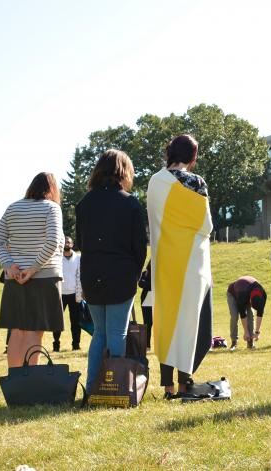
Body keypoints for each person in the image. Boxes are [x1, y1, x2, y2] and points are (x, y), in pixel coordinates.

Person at [146, 135, 214, 398]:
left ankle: (168, 386)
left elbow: (154, 221)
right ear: (193, 157)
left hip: (164, 259)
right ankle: (185, 382)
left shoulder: (155, 182)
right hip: (192, 261)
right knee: (189, 320)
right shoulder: (196, 182)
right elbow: (205, 224)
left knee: (166, 319)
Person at [77, 149, 148, 390]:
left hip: (91, 273)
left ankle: (91, 387)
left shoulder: (84, 203)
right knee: (118, 332)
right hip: (121, 274)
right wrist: (136, 272)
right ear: (124, 171)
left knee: (99, 333)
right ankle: (115, 387)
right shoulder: (130, 203)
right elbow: (140, 247)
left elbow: (80, 242)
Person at [0, 172, 65, 368]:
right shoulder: (52, 208)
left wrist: (9, 266)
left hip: (14, 278)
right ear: (53, 189)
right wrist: (32, 270)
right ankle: (30, 378)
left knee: (17, 330)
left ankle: (16, 378)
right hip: (44, 276)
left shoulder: (13, 208)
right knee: (35, 330)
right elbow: (53, 242)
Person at [53, 237, 83, 352]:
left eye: (69, 242)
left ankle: (76, 344)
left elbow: (80, 276)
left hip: (74, 294)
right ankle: (56, 344)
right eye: (65, 241)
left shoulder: (78, 258)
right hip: (60, 294)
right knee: (57, 321)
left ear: (72, 244)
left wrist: (81, 292)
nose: (67, 243)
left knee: (75, 322)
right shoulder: (57, 258)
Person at [225, 276, 267, 350]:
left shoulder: (263, 294)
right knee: (235, 316)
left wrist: (257, 332)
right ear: (250, 301)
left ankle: (250, 342)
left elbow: (260, 314)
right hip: (233, 294)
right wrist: (246, 332)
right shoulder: (242, 294)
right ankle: (234, 342)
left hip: (247, 292)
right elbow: (243, 315)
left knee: (251, 315)